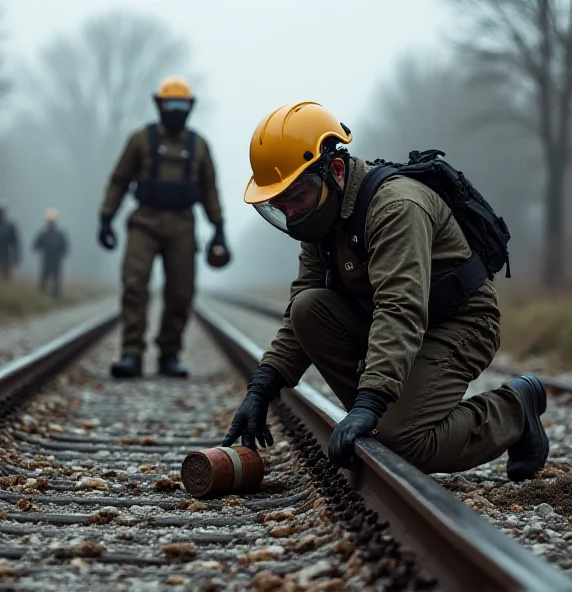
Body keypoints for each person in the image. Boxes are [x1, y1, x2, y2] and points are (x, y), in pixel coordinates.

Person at [221, 102, 549, 483]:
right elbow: (302, 306)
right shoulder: (318, 220)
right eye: (281, 206)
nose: (292, 214)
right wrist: (262, 386)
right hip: (400, 323)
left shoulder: (395, 207)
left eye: (299, 197)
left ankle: (515, 411)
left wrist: (371, 400)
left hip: (459, 321)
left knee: (403, 443)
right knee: (310, 309)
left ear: (336, 171)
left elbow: (400, 308)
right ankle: (383, 416)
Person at [98, 75, 229, 379]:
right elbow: (119, 180)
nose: (175, 110)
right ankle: (131, 353)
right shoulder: (140, 140)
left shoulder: (199, 146)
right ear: (158, 105)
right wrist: (106, 218)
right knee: (134, 285)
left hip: (183, 225)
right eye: (169, 104)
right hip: (144, 222)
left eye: (180, 105)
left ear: (190, 107)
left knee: (181, 291)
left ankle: (169, 354)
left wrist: (218, 227)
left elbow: (210, 189)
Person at [33, 208, 68, 298]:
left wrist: (61, 254)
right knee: (44, 279)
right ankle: (41, 296)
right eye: (49, 222)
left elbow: (65, 248)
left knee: (56, 280)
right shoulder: (43, 234)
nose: (51, 224)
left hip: (56, 260)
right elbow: (36, 246)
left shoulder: (60, 235)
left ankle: (56, 297)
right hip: (46, 260)